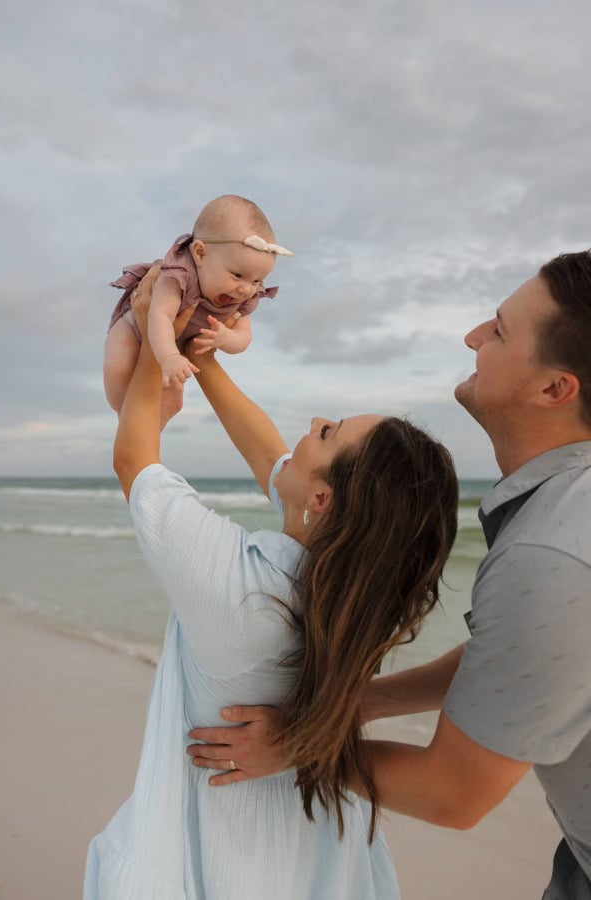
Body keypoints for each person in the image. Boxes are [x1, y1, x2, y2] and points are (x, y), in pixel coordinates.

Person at [187, 250, 591, 899]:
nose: (473, 337)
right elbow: (527, 653)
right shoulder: (562, 526)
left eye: (499, 329)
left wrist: (299, 747)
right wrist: (364, 701)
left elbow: (453, 794)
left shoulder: (553, 552)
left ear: (554, 389)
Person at [84, 267, 459, 899]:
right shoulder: (352, 592)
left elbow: (135, 459)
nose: (312, 422)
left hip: (228, 863)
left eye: (326, 432)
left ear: (322, 499)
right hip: (322, 854)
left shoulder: (240, 587)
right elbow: (269, 455)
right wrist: (201, 360)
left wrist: (158, 341)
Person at [103, 194, 292, 426]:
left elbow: (244, 338)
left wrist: (226, 338)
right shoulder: (178, 276)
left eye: (256, 281)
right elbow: (160, 315)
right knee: (120, 365)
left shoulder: (244, 297)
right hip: (136, 329)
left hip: (176, 346)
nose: (245, 289)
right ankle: (124, 415)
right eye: (237, 275)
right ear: (200, 254)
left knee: (172, 401)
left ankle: (142, 436)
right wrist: (170, 357)